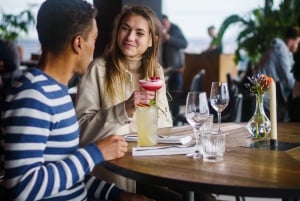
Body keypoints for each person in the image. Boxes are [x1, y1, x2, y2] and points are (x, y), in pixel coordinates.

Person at [0, 0, 154, 200]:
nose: (95, 47)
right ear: (78, 43)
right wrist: (95, 153)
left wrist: (119, 195)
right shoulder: (33, 96)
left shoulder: (56, 91)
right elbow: (22, 188)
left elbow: (69, 174)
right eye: (93, 39)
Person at [75, 5, 172, 193]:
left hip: (152, 170)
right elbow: (81, 133)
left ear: (152, 41)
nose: (130, 37)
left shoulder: (155, 72)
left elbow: (166, 125)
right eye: (125, 29)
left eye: (139, 33)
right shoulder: (98, 69)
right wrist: (123, 110)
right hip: (113, 180)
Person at [257, 26, 300, 121]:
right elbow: (289, 80)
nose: (298, 46)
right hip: (265, 96)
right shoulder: (282, 50)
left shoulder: (276, 48)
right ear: (290, 41)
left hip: (261, 93)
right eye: (297, 42)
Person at [160, 14, 187, 120]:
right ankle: (167, 118)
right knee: (165, 96)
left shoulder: (175, 29)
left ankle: (174, 119)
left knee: (175, 95)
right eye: (161, 24)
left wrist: (169, 38)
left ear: (169, 22)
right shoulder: (158, 30)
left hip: (176, 69)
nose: (163, 26)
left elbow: (184, 44)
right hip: (164, 69)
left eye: (165, 24)